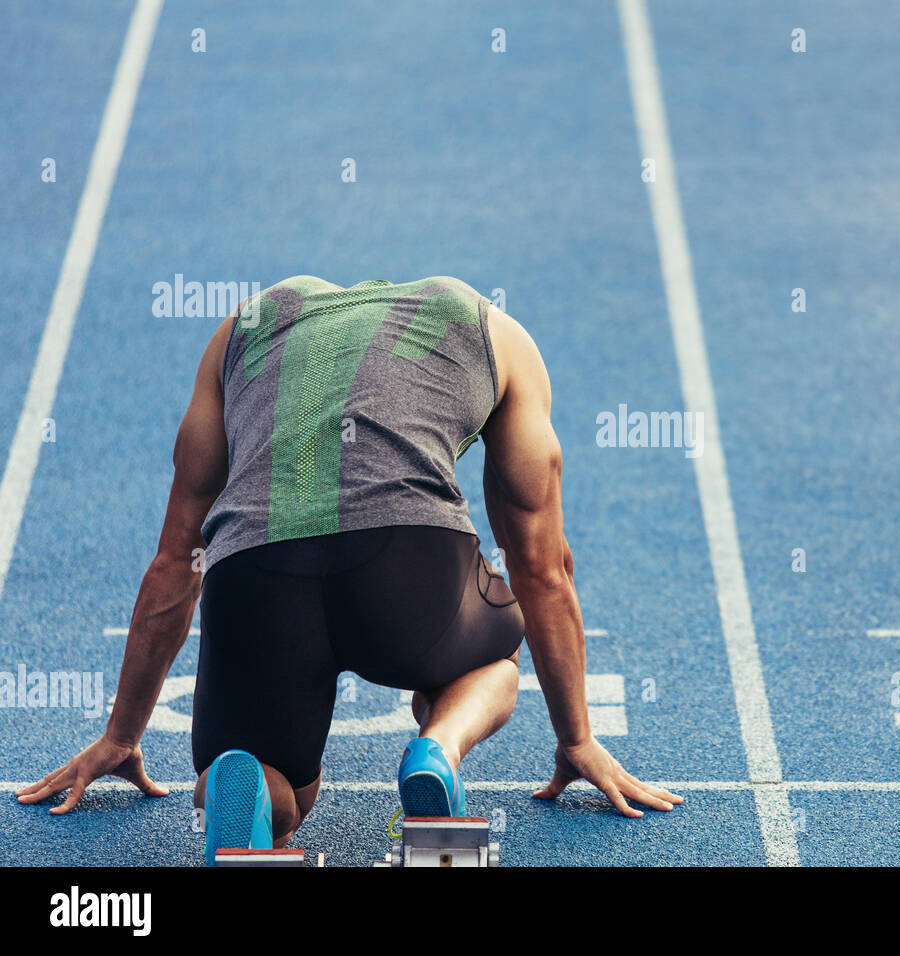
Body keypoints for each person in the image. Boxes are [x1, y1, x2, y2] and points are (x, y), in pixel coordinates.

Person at [17, 275, 681, 861]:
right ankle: (437, 752)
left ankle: (245, 783)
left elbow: (173, 562)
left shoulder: (242, 327)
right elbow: (543, 568)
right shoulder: (495, 334)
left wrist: (122, 732)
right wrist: (577, 738)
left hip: (257, 575)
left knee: (281, 793)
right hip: (410, 574)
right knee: (491, 662)